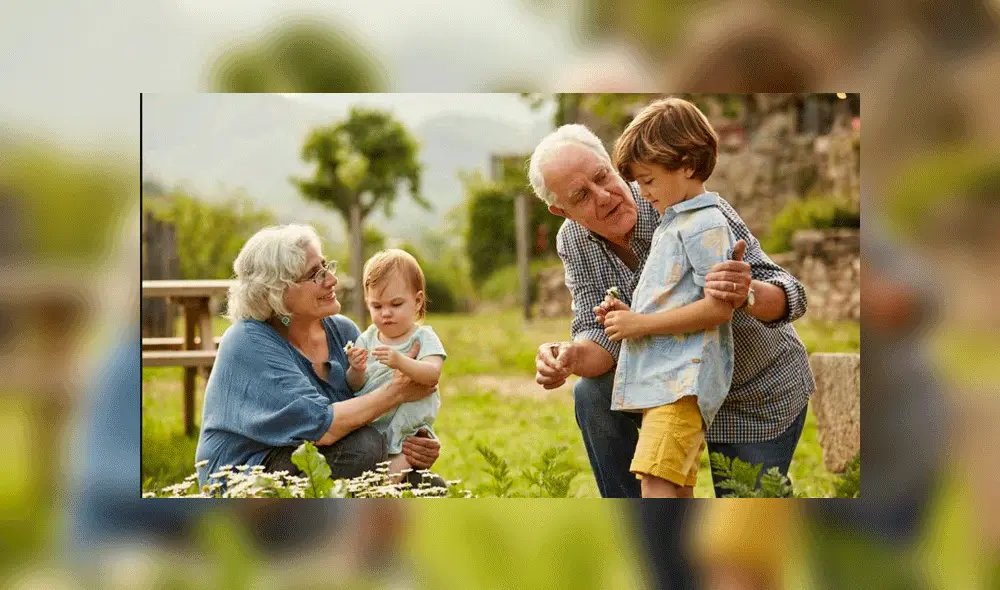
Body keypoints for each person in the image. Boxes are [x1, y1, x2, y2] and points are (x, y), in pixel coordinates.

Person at [528, 116, 814, 498]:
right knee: (591, 393)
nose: (603, 196)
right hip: (671, 389)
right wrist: (569, 356)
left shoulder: (687, 203)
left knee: (743, 519)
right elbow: (602, 335)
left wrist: (745, 290)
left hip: (751, 391)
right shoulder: (574, 241)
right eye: (581, 196)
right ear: (562, 211)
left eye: (603, 177)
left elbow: (791, 294)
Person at [194, 225, 441, 487]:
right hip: (249, 472)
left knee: (430, 486)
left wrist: (416, 442)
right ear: (278, 291)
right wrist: (398, 392)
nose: (332, 280)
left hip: (326, 454)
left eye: (326, 267)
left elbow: (369, 405)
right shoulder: (247, 341)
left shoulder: (342, 330)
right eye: (315, 274)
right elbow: (323, 426)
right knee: (364, 447)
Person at [590, 97, 737, 498]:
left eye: (649, 180)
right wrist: (628, 315)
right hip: (666, 382)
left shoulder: (705, 223)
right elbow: (676, 299)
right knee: (671, 485)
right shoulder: (674, 221)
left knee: (655, 483)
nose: (642, 192)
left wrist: (640, 324)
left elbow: (719, 308)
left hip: (683, 383)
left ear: (688, 164)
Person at [346, 249, 447, 482]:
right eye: (377, 306)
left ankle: (387, 486)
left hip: (408, 426)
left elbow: (432, 375)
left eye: (396, 304)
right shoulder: (367, 338)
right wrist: (356, 369)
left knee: (392, 472)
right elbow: (354, 385)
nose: (386, 313)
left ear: (417, 301)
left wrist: (400, 361)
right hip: (376, 421)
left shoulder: (423, 338)